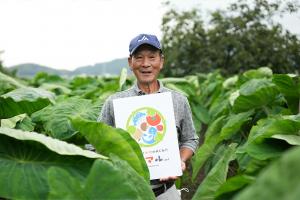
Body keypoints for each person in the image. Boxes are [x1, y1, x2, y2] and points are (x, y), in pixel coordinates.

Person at [98, 33, 199, 199]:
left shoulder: (178, 100)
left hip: (166, 192)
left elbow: (190, 139)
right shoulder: (115, 102)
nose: (146, 64)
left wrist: (179, 160)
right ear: (131, 62)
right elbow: (96, 144)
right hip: (126, 192)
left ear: (161, 61)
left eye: (152, 57)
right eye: (139, 58)